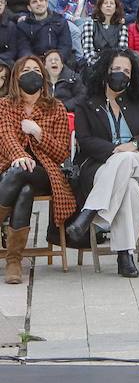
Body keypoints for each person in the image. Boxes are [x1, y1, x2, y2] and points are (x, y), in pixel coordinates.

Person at [64, 50, 139, 279]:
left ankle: (91, 212)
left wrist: (134, 145)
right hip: (104, 165)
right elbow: (85, 140)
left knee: (127, 159)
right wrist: (114, 150)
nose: (120, 74)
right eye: (116, 69)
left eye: (126, 71)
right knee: (128, 188)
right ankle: (125, 255)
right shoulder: (87, 102)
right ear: (105, 70)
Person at [0, 54, 76, 285]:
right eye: (25, 71)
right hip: (11, 168)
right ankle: (14, 261)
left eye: (35, 69)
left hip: (46, 172)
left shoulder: (57, 107)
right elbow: (5, 136)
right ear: (16, 78)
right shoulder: (4, 105)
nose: (30, 74)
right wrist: (21, 156)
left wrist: (38, 133)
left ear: (42, 76)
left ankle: (14, 260)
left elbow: (61, 152)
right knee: (23, 186)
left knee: (21, 174)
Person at [17, 0, 74, 66]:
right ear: (29, 8)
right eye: (34, 2)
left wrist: (54, 61)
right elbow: (24, 49)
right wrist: (36, 63)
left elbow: (65, 46)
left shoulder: (60, 22)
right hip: (35, 64)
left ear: (47, 3)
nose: (39, 4)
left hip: (58, 62)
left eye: (41, 0)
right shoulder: (23, 26)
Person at [81, 0, 127, 68]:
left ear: (116, 7)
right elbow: (88, 50)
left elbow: (122, 51)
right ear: (100, 6)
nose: (108, 5)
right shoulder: (89, 25)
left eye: (111, 3)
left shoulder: (122, 28)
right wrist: (99, 66)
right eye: (105, 3)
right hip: (93, 67)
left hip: (114, 67)